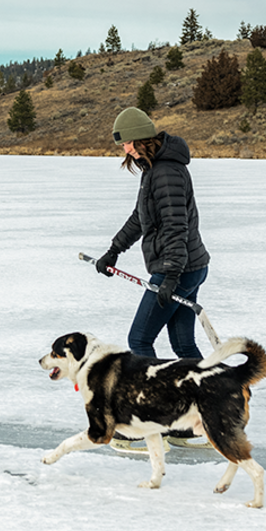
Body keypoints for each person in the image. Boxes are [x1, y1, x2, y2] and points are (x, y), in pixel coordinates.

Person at [93, 107, 210, 360]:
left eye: (127, 142)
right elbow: (140, 217)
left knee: (139, 340)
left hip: (179, 269)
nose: (125, 149)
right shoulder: (153, 169)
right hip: (189, 267)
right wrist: (114, 250)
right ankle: (210, 396)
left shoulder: (165, 172)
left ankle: (154, 398)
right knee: (184, 345)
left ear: (140, 138)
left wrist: (170, 275)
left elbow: (176, 226)